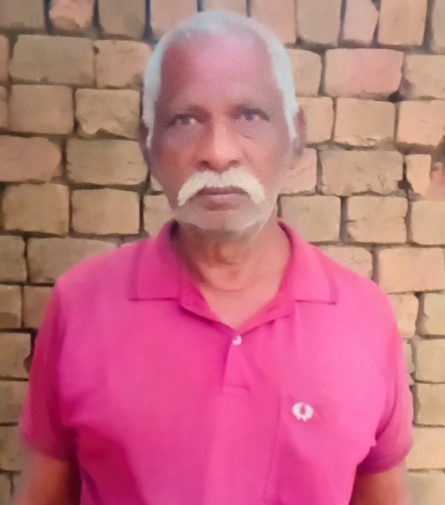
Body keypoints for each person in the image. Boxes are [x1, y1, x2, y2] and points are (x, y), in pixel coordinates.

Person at [13, 11, 413, 505]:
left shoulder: (363, 318)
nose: (218, 153)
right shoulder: (80, 305)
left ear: (296, 136)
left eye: (249, 116)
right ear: (147, 144)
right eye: (185, 120)